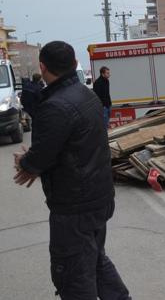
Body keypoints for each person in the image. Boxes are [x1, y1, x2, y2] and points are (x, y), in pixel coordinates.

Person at [13, 41, 130, 300]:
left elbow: (42, 156)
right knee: (96, 261)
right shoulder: (86, 94)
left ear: (42, 68)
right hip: (99, 198)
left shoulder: (54, 106)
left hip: (75, 208)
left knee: (74, 275)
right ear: (76, 64)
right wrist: (34, 163)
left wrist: (26, 163)